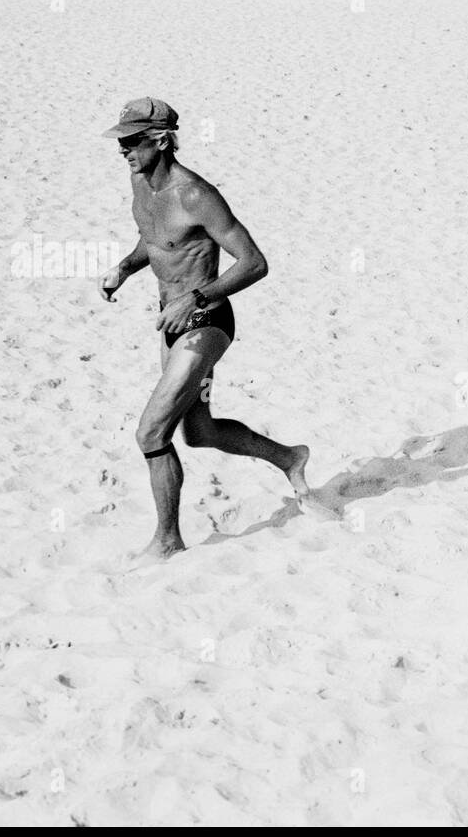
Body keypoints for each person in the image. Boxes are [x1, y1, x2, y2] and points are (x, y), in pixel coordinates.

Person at [96, 97, 310, 559]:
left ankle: (167, 541)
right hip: (170, 325)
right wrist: (125, 268)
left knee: (152, 433)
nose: (124, 151)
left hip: (205, 323)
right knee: (199, 432)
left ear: (160, 139)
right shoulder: (140, 185)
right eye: (121, 142)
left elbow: (255, 263)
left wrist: (196, 298)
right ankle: (290, 458)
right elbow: (155, 239)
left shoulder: (195, 194)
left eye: (132, 141)